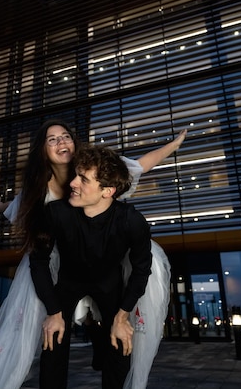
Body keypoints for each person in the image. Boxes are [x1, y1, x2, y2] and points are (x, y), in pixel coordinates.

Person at [0, 119, 185, 389]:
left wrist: (174, 145)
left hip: (106, 257)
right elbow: (18, 211)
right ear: (42, 151)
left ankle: (105, 348)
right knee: (51, 323)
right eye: (52, 139)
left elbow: (140, 165)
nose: (61, 142)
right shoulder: (41, 196)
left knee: (118, 321)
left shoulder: (98, 169)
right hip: (63, 259)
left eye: (66, 136)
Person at [30, 144, 153, 388]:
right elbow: (38, 260)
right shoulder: (55, 213)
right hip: (69, 280)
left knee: (120, 338)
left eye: (83, 179)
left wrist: (122, 316)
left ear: (107, 191)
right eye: (76, 175)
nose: (73, 183)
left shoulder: (132, 221)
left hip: (109, 282)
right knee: (53, 334)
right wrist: (54, 313)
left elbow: (141, 270)